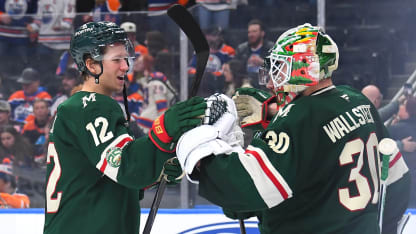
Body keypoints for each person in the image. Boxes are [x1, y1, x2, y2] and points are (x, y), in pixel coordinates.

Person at [176, 23, 411, 234]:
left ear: (304, 68)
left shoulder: (298, 118)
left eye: (280, 67)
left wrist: (204, 155)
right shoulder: (359, 102)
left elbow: (249, 190)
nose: (271, 80)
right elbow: (397, 180)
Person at [43, 21, 206, 234]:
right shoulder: (92, 107)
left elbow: (110, 178)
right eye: (116, 59)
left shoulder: (80, 107)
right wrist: (164, 128)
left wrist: (157, 169)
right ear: (92, 65)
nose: (125, 66)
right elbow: (126, 168)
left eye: (125, 58)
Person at [388, 96, 416, 208]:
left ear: (409, 111)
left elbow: (380, 148)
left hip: (402, 186)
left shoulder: (395, 129)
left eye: (403, 105)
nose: (400, 107)